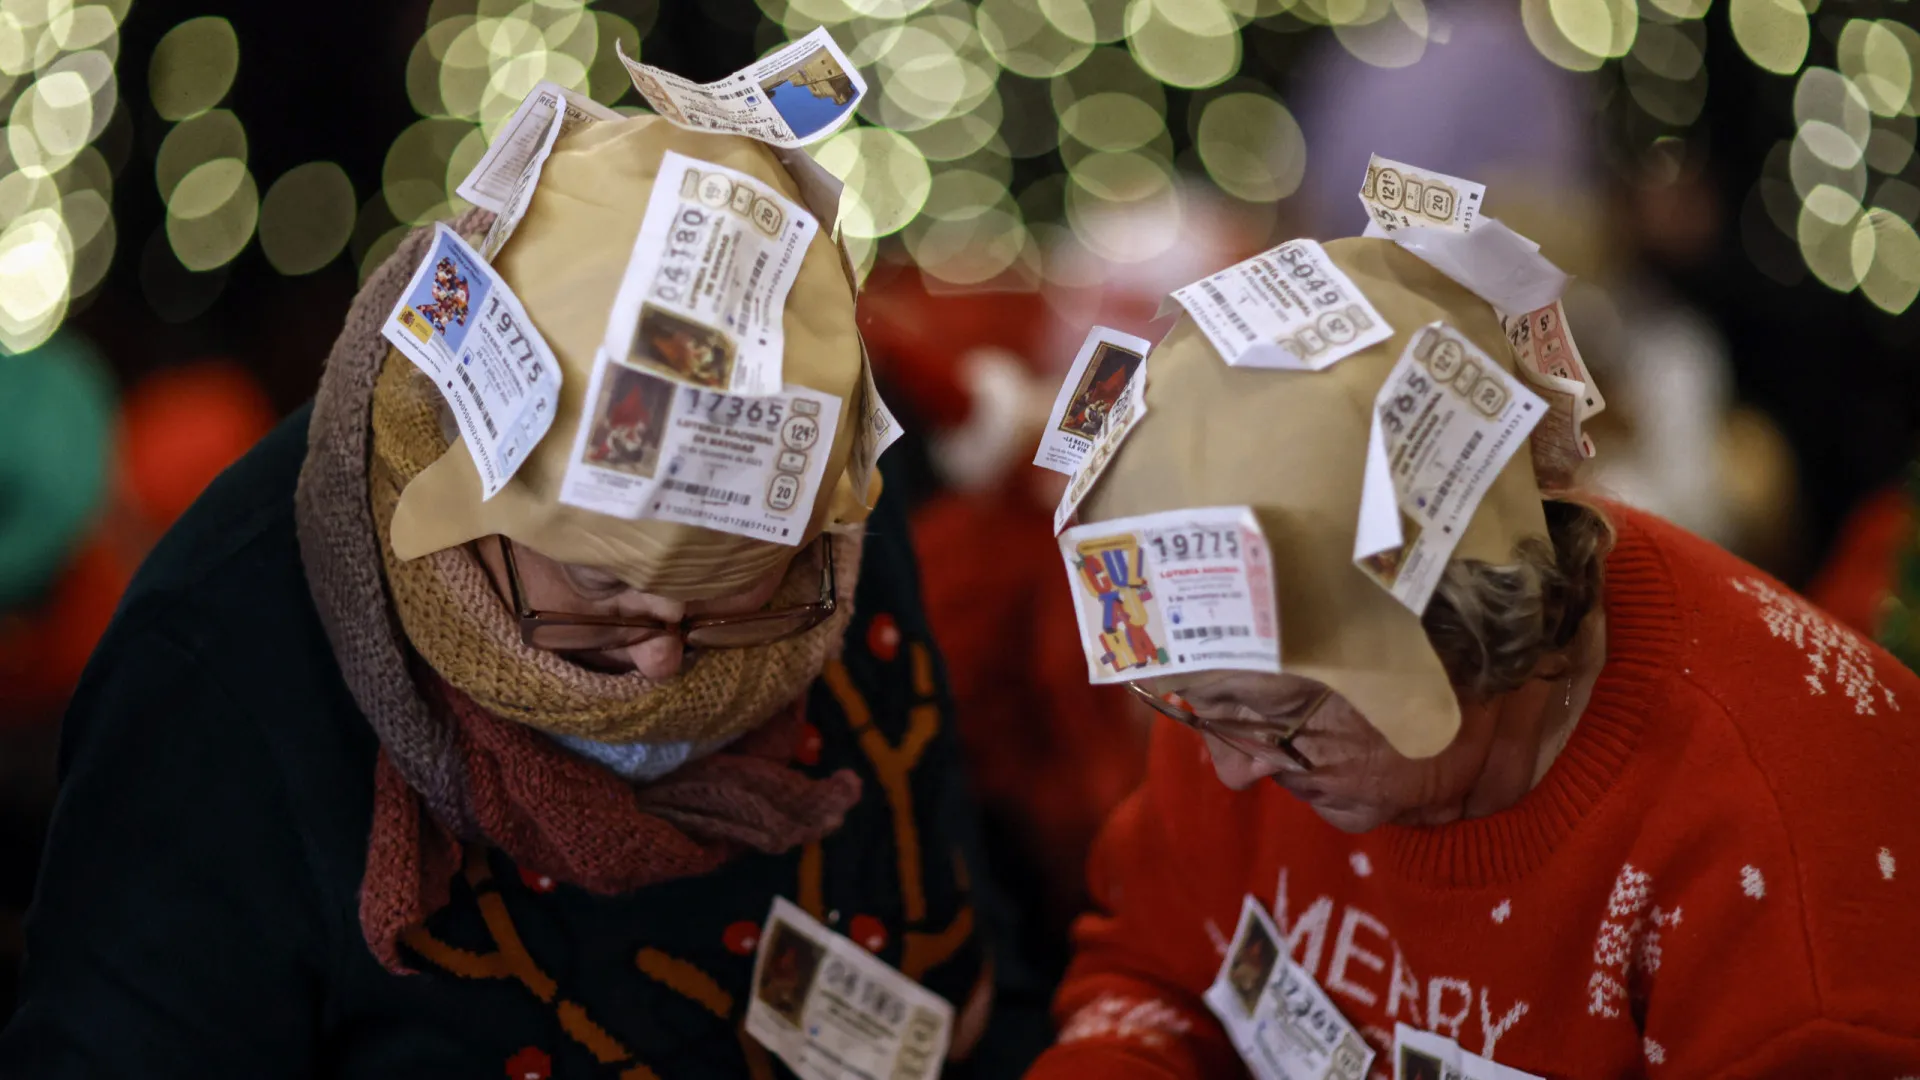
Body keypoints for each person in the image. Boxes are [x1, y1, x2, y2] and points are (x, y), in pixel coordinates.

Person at [0, 117, 1046, 1078]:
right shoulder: (220, 668)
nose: (661, 661)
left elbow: (962, 952)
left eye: (729, 596)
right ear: (466, 486)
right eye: (601, 583)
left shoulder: (820, 509)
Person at [1025, 238, 1920, 1077]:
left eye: (1277, 719)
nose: (1229, 770)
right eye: (1188, 707)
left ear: (1476, 642)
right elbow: (1151, 973)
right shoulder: (1245, 690)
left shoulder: (1783, 891)